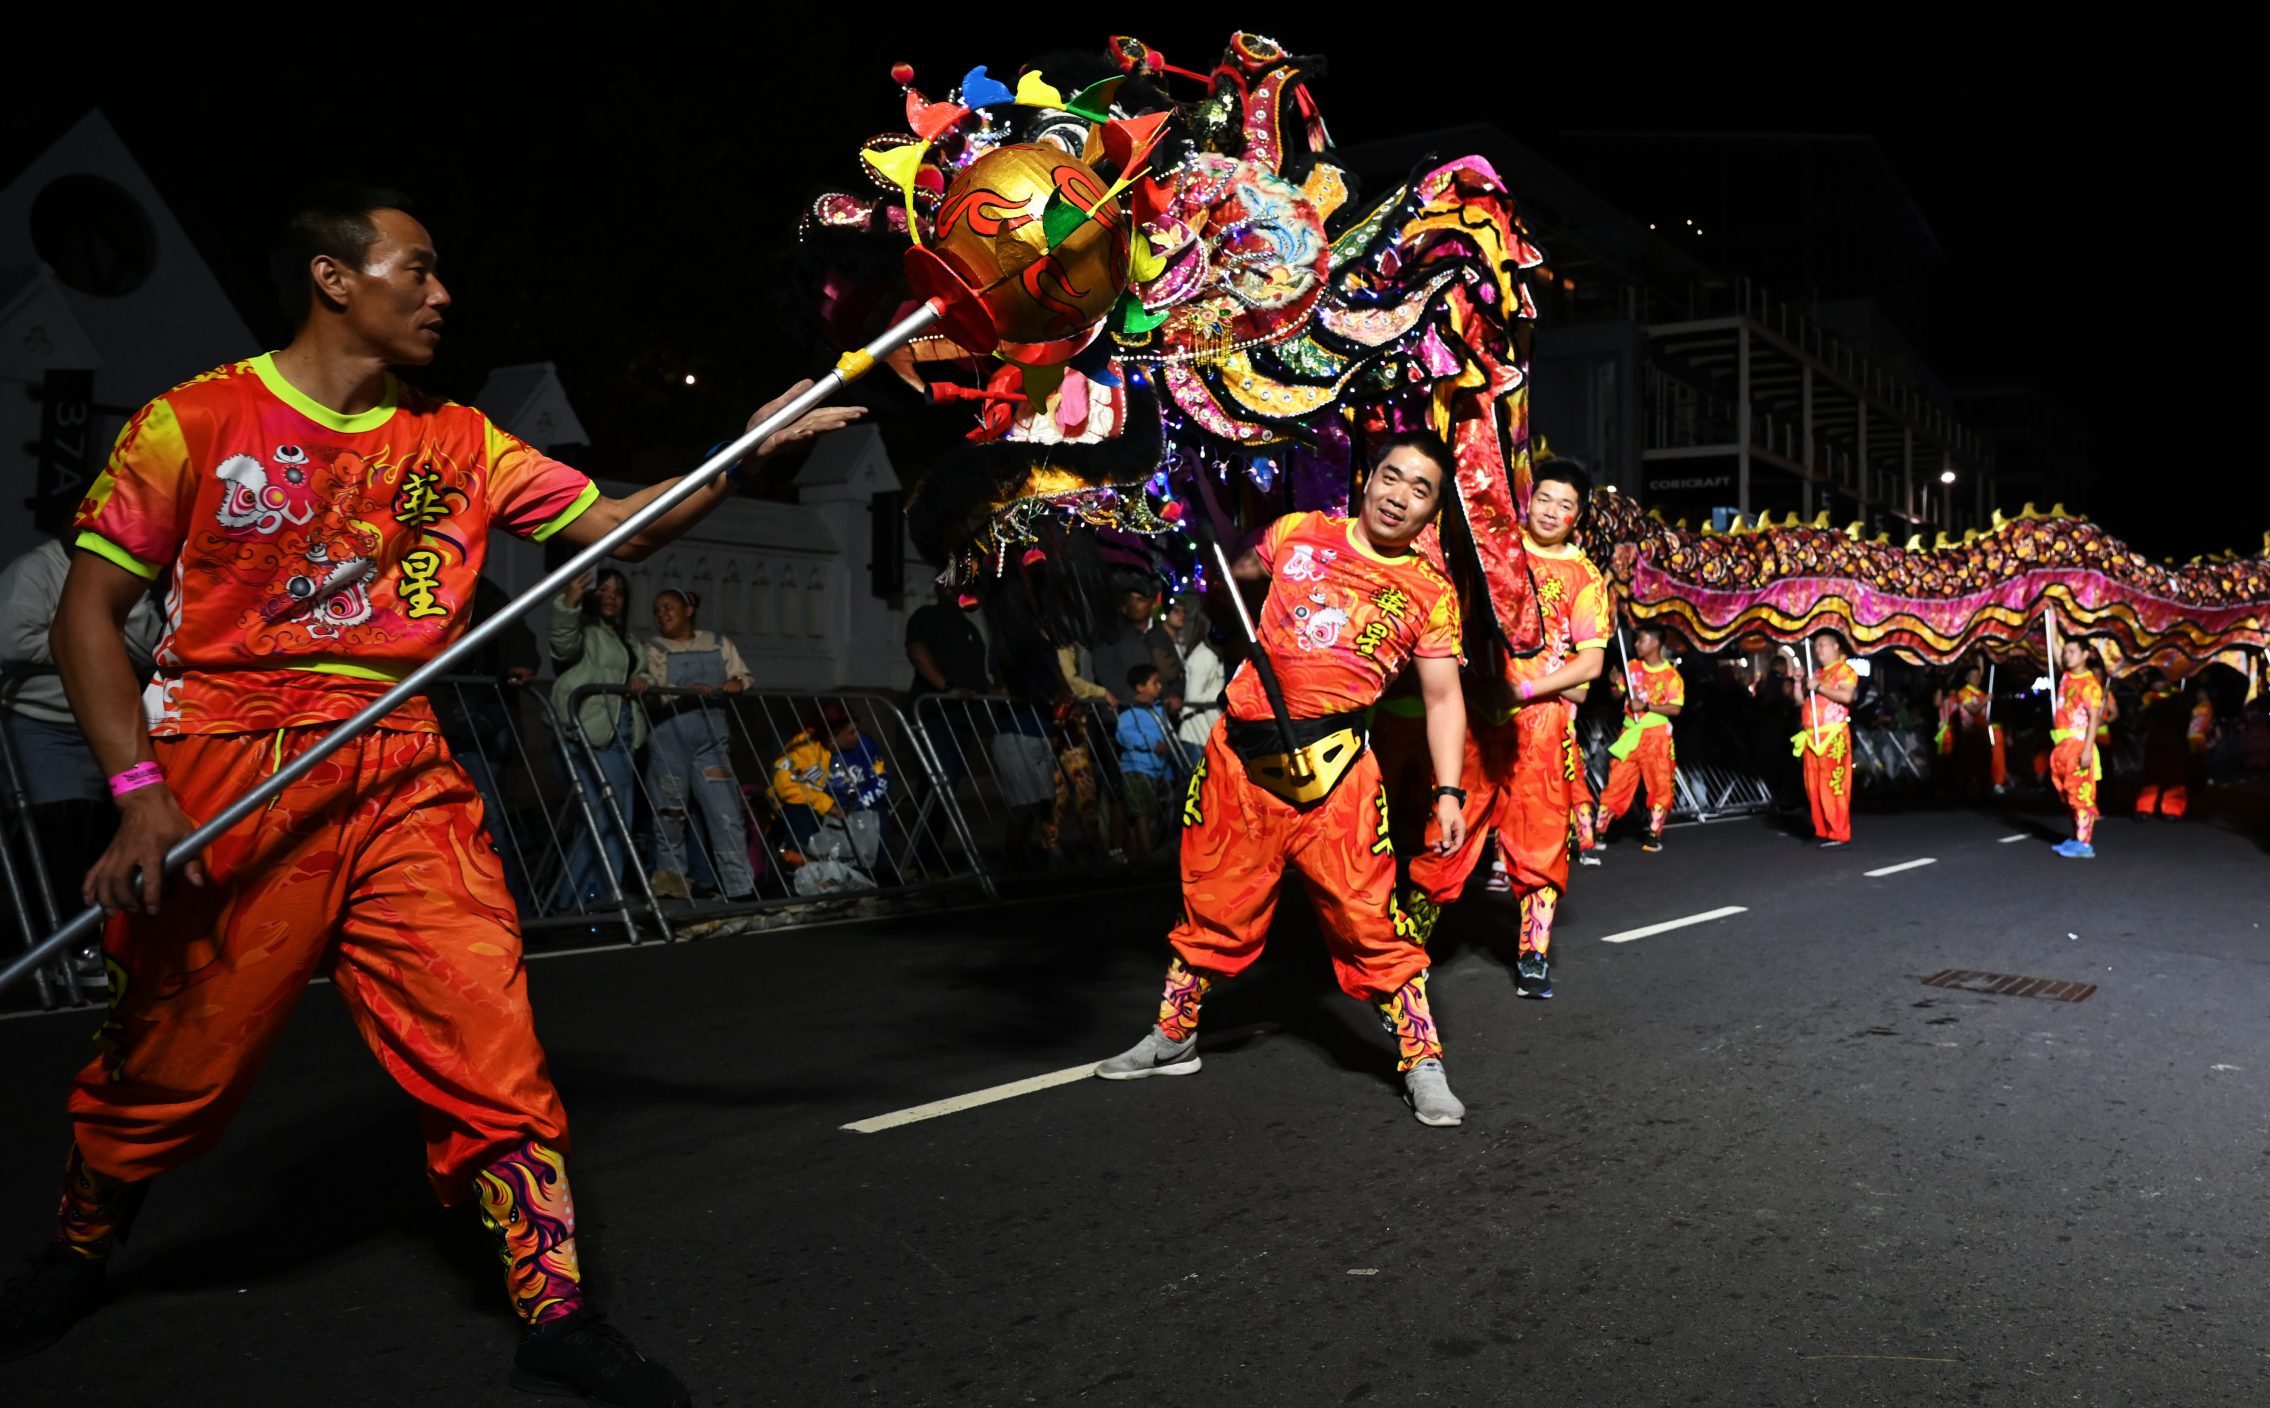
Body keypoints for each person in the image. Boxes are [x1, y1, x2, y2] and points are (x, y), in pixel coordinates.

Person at [0, 185, 862, 1402]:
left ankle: (553, 1307)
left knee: (485, 1032)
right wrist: (140, 793)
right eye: (419, 268)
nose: (443, 293)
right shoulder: (193, 421)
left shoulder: (459, 439)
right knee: (171, 1059)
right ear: (333, 280)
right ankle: (80, 1245)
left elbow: (618, 531)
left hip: (400, 760)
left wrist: (747, 445)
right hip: (230, 767)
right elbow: (88, 614)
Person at [1096, 431, 1471, 1127]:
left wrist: (1449, 791)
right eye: (1392, 478)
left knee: (1371, 924)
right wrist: (1209, 558)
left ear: (1433, 511)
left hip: (1338, 778)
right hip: (1239, 763)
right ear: (1367, 480)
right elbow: (1234, 570)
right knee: (1211, 903)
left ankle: (1423, 1062)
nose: (1400, 497)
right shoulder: (1298, 531)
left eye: (1421, 490)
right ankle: (1174, 1036)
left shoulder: (1429, 590)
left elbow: (1445, 699)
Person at [1400, 456, 1606, 1001]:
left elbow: (1590, 666)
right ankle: (1403, 954)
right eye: (1544, 498)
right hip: (1476, 717)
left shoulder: (1584, 576)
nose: (1551, 511)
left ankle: (1532, 955)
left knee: (1539, 845)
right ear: (1528, 498)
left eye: (1565, 506)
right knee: (1446, 831)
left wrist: (1526, 690)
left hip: (1540, 724)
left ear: (1576, 518)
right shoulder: (1492, 553)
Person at [0, 533, 164, 977]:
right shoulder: (37, 569)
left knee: (107, 831)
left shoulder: (128, 572)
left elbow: (147, 646)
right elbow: (11, 642)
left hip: (100, 725)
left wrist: (88, 637)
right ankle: (53, 948)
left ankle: (100, 944)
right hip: (40, 722)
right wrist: (84, 644)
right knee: (58, 828)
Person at [642, 589, 755, 901]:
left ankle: (739, 887)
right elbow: (650, 690)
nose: (661, 615)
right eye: (656, 611)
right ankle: (673, 888)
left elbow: (742, 675)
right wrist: (683, 691)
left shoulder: (719, 643)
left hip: (711, 744)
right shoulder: (652, 648)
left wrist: (736, 684)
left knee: (725, 814)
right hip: (668, 743)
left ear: (689, 609)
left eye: (668, 607)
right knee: (670, 818)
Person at [550, 567, 651, 908]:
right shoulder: (585, 630)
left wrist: (643, 680)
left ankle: (597, 897)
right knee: (602, 819)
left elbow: (638, 670)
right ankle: (579, 899)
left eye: (619, 592)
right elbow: (562, 645)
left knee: (617, 819)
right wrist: (569, 601)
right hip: (588, 733)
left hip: (621, 734)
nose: (612, 597)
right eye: (605, 590)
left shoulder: (626, 638)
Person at [1597, 624, 1684, 854]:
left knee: (1659, 784)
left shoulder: (1671, 675)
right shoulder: (1631, 667)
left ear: (1655, 643)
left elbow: (1675, 709)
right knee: (1617, 780)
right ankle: (1599, 832)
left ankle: (1654, 834)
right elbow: (1617, 695)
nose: (1636, 644)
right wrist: (1615, 682)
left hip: (1656, 737)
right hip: (1630, 733)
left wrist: (1646, 706)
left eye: (1641, 640)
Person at [1787, 632, 1860, 848]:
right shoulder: (1816, 673)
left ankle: (1839, 831)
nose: (1818, 650)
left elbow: (1846, 697)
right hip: (1812, 736)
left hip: (1833, 736)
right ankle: (1823, 829)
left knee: (1833, 785)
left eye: (1823, 645)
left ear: (1836, 646)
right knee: (1814, 787)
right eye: (1816, 647)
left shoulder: (1845, 670)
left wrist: (1818, 686)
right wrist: (1799, 682)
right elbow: (1799, 701)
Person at [1113, 663, 1178, 863]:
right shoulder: (1129, 712)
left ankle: (1143, 853)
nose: (1159, 686)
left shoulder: (1158, 711)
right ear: (1140, 687)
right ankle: (1147, 855)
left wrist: (1167, 775)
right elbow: (1124, 735)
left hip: (1156, 769)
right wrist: (1151, 743)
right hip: (1136, 767)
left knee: (1149, 812)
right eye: (1154, 682)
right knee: (1140, 811)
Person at [2050, 639, 2106, 858]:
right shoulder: (2066, 676)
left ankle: (2084, 844)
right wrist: (2051, 614)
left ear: (2085, 655)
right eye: (2065, 652)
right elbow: (2053, 644)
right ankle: (2076, 838)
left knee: (2080, 795)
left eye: (2072, 652)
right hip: (2062, 745)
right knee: (2067, 794)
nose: (2066, 655)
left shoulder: (2090, 684)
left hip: (2078, 745)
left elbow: (2094, 719)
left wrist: (2086, 750)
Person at [1166, 594, 1224, 750]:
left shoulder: (1211, 654)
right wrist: (1222, 692)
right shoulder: (1203, 656)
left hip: (1205, 732)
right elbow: (1192, 696)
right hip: (1196, 735)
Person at [2132, 668, 2189, 820]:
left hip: (2175, 740)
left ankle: (2172, 809)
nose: (2155, 685)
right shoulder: (2149, 697)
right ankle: (2144, 808)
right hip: (2155, 740)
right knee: (2151, 776)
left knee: (2174, 777)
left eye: (2157, 681)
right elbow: (2142, 717)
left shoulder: (2180, 696)